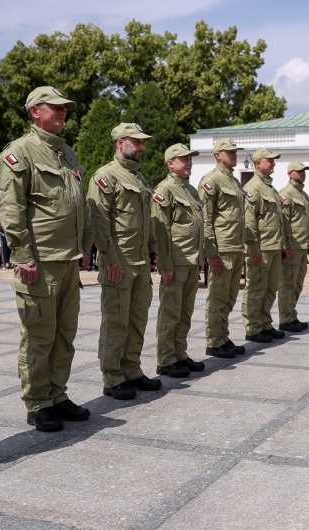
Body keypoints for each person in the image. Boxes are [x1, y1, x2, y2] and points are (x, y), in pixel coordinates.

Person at [0, 86, 93, 432]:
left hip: (67, 260)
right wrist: (22, 255)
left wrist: (83, 247)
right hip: (40, 261)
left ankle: (57, 394)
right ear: (35, 111)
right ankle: (38, 402)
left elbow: (78, 204)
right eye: (56, 108)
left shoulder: (65, 152)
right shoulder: (21, 152)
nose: (63, 112)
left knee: (65, 334)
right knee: (39, 335)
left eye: (65, 108)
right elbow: (12, 207)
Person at [86, 123, 162, 400]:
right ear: (120, 142)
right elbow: (98, 221)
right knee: (116, 322)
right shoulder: (106, 176)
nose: (142, 147)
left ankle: (132, 370)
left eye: (143, 142)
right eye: (137, 142)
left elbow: (147, 221)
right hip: (119, 263)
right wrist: (110, 259)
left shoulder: (139, 178)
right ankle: (113, 377)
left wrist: (153, 251)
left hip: (140, 262)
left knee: (137, 320)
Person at [152, 143, 207, 378]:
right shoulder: (165, 190)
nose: (189, 162)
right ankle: (165, 359)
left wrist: (201, 257)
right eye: (183, 159)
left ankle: (180, 353)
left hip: (191, 260)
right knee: (170, 312)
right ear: (170, 163)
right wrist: (164, 265)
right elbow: (160, 232)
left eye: (190, 158)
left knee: (185, 312)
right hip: (174, 261)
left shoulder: (191, 191)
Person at [198, 138, 247, 359]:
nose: (234, 154)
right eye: (230, 152)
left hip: (236, 246)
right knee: (217, 297)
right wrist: (211, 252)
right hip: (222, 248)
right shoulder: (211, 180)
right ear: (218, 155)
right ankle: (214, 341)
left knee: (229, 297)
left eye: (236, 152)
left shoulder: (234, 182)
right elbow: (206, 219)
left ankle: (223, 337)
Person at [241, 148, 289, 344]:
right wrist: (253, 249)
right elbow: (250, 222)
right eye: (270, 161)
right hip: (260, 249)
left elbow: (278, 220)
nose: (274, 164)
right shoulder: (253, 188)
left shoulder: (271, 188)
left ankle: (265, 323)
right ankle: (253, 328)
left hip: (274, 246)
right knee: (255, 288)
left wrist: (283, 244)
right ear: (258, 163)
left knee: (270, 289)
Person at [278, 161, 309, 333]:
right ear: (290, 173)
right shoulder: (286, 194)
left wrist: (308, 243)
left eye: (304, 171)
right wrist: (286, 245)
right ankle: (285, 319)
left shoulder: (303, 195)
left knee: (297, 283)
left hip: (302, 245)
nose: (303, 174)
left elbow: (304, 222)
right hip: (292, 247)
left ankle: (291, 315)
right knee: (287, 283)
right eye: (299, 171)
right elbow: (283, 223)